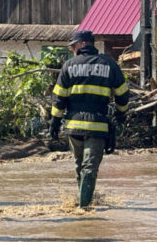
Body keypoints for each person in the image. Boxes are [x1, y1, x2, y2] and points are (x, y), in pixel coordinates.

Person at [49, 30, 129, 207]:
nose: (72, 50)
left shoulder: (69, 66)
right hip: (97, 126)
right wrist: (121, 114)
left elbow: (59, 98)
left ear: (82, 44)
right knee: (89, 168)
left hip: (73, 127)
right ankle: (84, 207)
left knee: (80, 167)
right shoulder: (109, 64)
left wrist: (54, 122)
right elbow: (123, 94)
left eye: (73, 46)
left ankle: (82, 207)